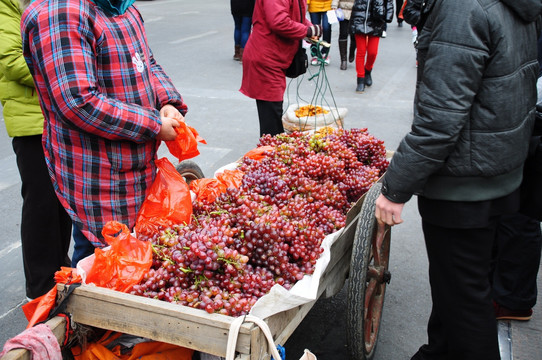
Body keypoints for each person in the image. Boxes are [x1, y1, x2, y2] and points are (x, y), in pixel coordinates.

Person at [374, 0, 541, 359]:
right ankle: (438, 352)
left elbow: (438, 120)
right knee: (459, 288)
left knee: (466, 304)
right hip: (500, 172)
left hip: (464, 188)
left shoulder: (461, 8)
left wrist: (395, 187)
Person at [21, 0, 188, 267]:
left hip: (136, 166)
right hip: (98, 175)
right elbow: (78, 102)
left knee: (134, 259)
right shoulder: (62, 13)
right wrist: (153, 124)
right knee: (100, 263)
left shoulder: (124, 7)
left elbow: (147, 63)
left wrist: (167, 102)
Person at [0, 0, 72, 300]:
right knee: (41, 201)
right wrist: (65, 72)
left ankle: (60, 270)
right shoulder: (8, 5)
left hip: (60, 116)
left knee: (64, 201)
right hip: (31, 121)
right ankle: (40, 286)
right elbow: (11, 61)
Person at [491, 31, 542, 321]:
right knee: (514, 209)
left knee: (519, 213)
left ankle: (513, 299)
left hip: (529, 115)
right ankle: (508, 293)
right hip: (524, 112)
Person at [240, 0, 321, 137]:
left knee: (273, 111)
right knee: (271, 117)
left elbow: (296, 15)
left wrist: (309, 28)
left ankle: (272, 149)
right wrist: (306, 30)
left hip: (275, 57)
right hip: (266, 58)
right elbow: (279, 22)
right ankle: (270, 151)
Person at [350, 0, 393, 93]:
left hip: (376, 20)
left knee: (372, 52)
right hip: (359, 18)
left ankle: (368, 70)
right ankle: (360, 79)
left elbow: (389, 1)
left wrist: (388, 15)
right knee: (361, 51)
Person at [331, 0, 356, 70]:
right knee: (343, 34)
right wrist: (334, 6)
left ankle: (352, 51)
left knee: (354, 35)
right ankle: (343, 60)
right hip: (343, 12)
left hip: (356, 12)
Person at [308, 0, 333, 65]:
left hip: (328, 5)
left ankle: (325, 53)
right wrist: (307, 3)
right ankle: (315, 53)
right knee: (314, 30)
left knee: (326, 28)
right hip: (314, 5)